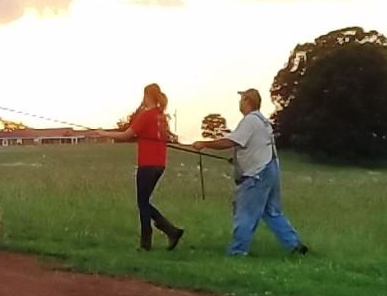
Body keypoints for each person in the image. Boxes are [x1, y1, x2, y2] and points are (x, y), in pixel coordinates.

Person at [192, 88, 308, 256]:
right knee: (271, 212)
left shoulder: (250, 120)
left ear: (248, 101)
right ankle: (294, 245)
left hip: (258, 174)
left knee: (245, 212)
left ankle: (237, 251)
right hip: (271, 169)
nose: (239, 102)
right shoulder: (263, 121)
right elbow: (254, 147)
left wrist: (204, 144)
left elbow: (231, 141)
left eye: (242, 99)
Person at [102, 84, 185, 251]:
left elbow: (127, 134)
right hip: (160, 163)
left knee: (142, 202)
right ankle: (165, 233)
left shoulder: (147, 115)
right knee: (144, 202)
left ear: (147, 95)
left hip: (147, 163)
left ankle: (159, 237)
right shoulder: (161, 117)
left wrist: (104, 133)